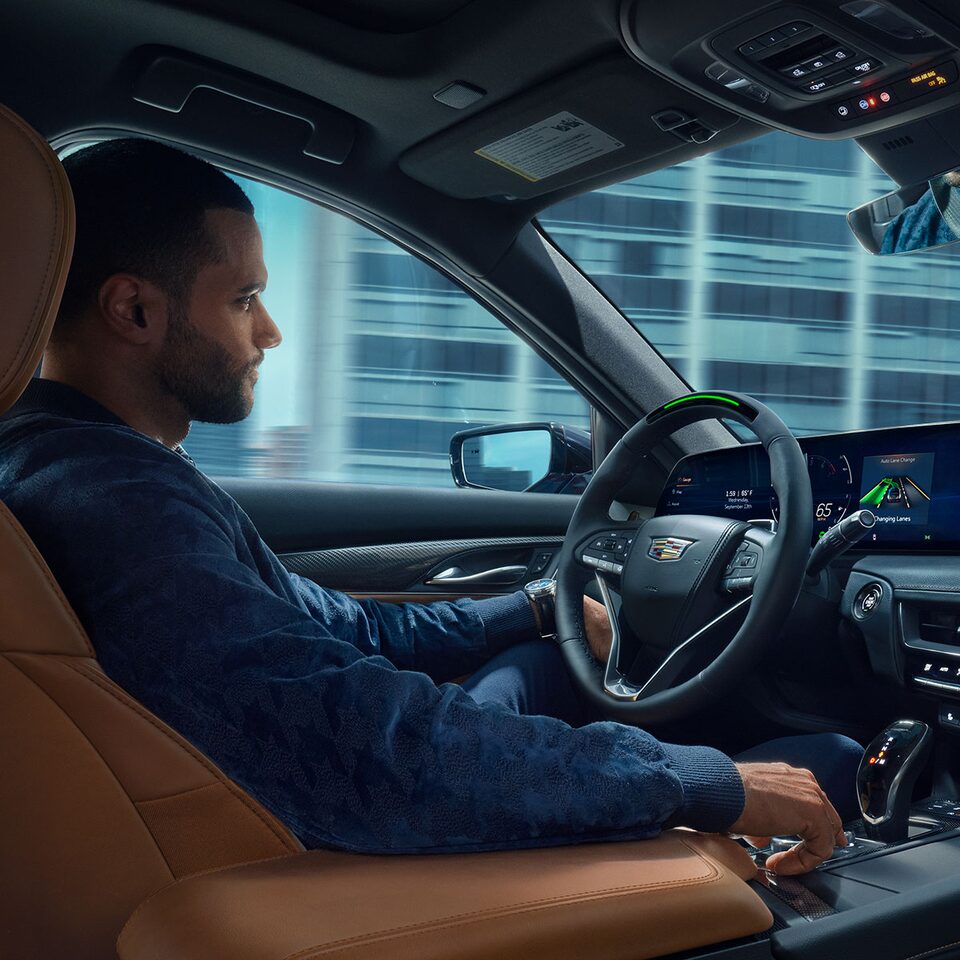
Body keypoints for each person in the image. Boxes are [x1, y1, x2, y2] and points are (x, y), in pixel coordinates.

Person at [0, 139, 861, 876]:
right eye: (244, 299)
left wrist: (531, 607)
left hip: (287, 819)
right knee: (830, 758)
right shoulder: (118, 504)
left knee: (541, 666)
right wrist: (700, 782)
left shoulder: (79, 468)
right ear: (134, 310)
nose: (270, 332)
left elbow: (340, 630)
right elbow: (370, 750)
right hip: (310, 862)